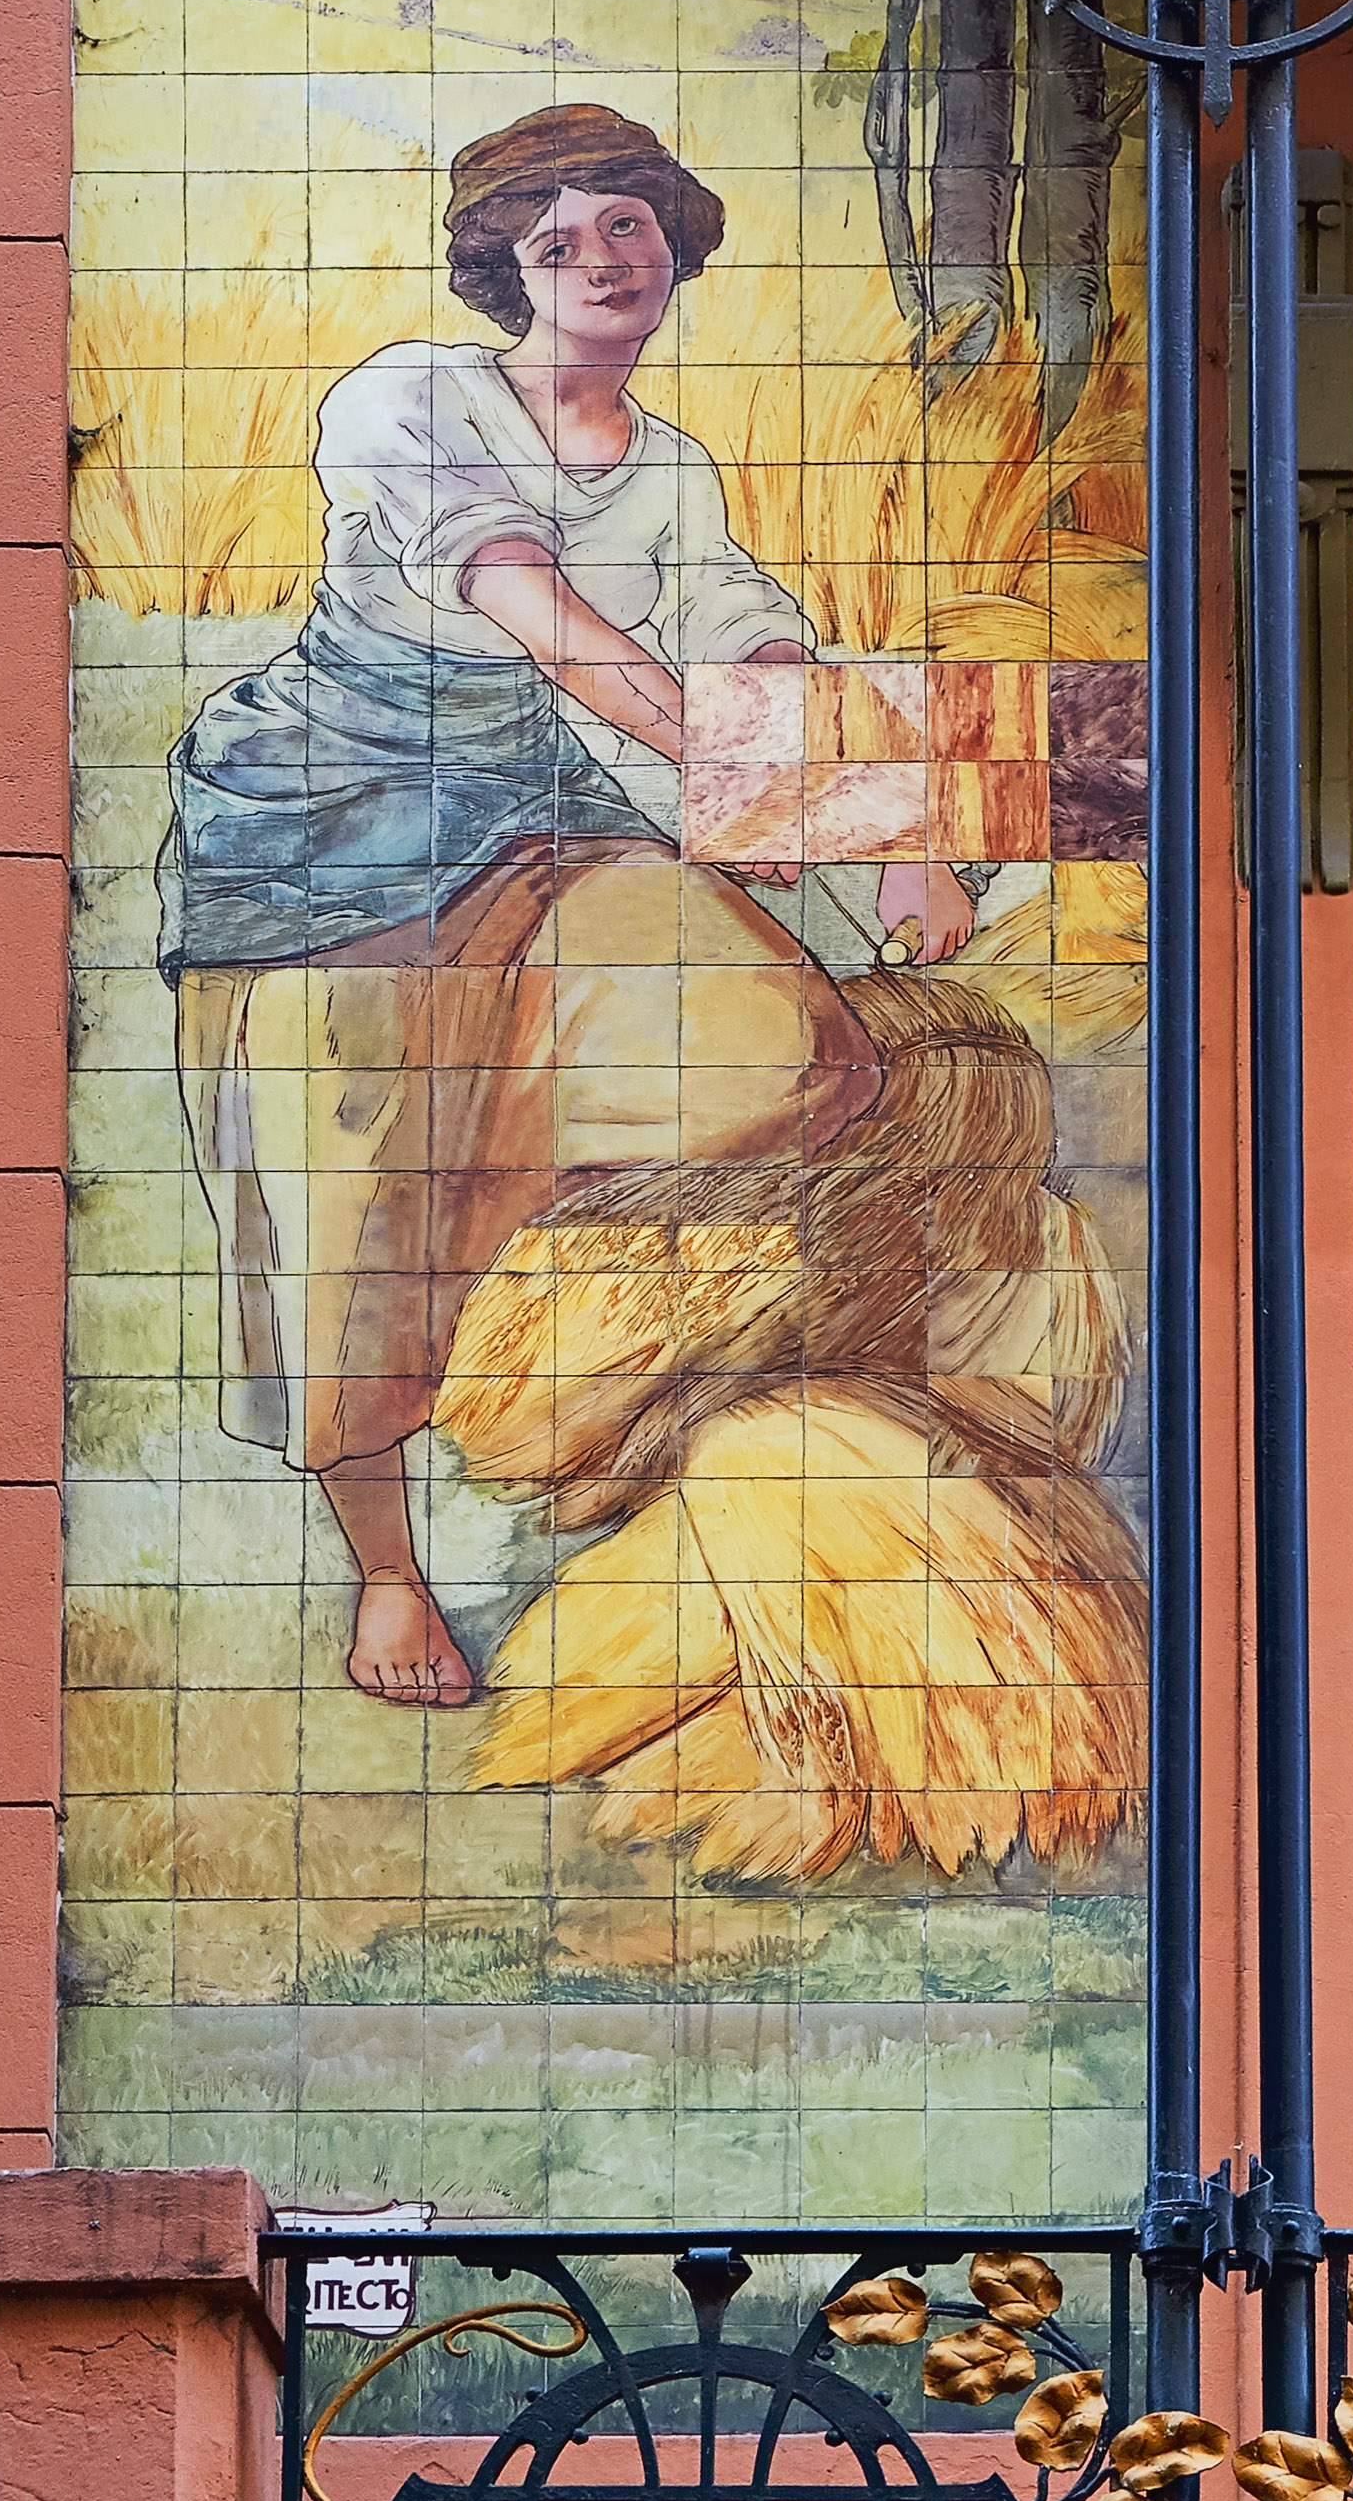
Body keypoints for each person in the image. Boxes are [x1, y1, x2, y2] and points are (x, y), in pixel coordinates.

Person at [162, 104, 973, 1713]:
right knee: (354, 1225)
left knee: (784, 1050)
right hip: (325, 841)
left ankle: (535, 1296)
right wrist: (740, 780)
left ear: (673, 248)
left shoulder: (670, 467)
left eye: (630, 229)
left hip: (536, 812)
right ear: (505, 270)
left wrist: (900, 827)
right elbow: (554, 625)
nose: (602, 260)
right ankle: (389, 1574)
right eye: (559, 238)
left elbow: (750, 640)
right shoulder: (409, 400)